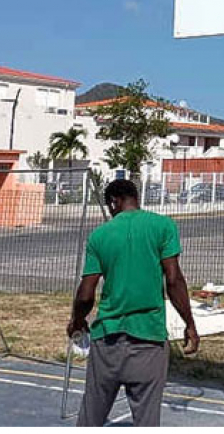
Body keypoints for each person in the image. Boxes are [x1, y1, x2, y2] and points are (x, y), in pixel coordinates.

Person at [67, 179, 200, 426]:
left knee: (91, 417)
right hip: (149, 338)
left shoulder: (99, 235)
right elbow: (174, 280)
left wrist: (77, 321)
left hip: (107, 339)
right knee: (147, 420)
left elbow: (86, 293)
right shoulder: (163, 226)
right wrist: (189, 324)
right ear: (135, 197)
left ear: (113, 201)